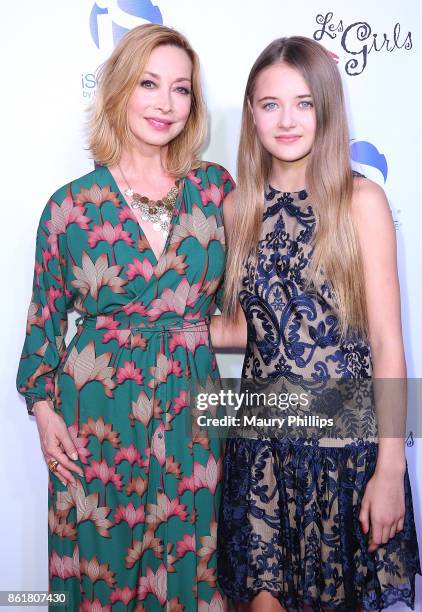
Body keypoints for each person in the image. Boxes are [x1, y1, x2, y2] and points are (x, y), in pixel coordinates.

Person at [16, 23, 234, 610]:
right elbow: (43, 329)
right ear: (118, 89)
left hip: (192, 416)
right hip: (98, 422)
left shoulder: (215, 191)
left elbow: (248, 309)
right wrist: (42, 412)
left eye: (181, 89)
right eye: (149, 83)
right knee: (100, 579)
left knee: (194, 574)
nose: (166, 104)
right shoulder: (69, 208)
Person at [211, 37, 421, 611]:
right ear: (250, 111)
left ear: (326, 108)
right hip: (259, 457)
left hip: (344, 457)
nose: (286, 120)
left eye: (303, 102)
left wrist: (390, 467)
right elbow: (241, 335)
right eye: (269, 103)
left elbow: (386, 344)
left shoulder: (361, 202)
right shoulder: (235, 211)